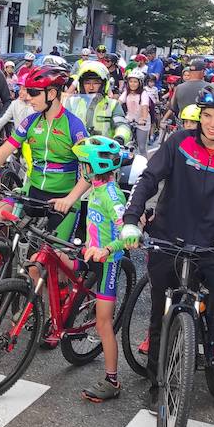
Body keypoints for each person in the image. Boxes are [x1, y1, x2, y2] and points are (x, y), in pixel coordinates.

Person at [122, 82, 214, 405]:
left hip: (212, 245)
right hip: (167, 239)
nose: (213, 124)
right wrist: (132, 218)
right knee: (159, 311)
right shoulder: (179, 142)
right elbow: (149, 180)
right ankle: (157, 381)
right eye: (207, 115)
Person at [0, 64, 89, 241]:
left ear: (52, 94)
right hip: (33, 191)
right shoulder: (31, 121)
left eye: (33, 92)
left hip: (64, 198)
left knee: (47, 261)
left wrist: (71, 198)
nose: (27, 97)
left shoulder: (73, 125)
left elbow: (91, 168)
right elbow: (5, 149)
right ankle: (4, 254)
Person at [73, 135, 130, 403]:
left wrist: (106, 250)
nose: (81, 168)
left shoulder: (110, 194)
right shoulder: (95, 188)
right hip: (91, 255)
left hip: (108, 262)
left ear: (94, 167)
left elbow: (129, 236)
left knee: (103, 323)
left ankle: (112, 380)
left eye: (84, 163)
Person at [118, 71, 157, 155]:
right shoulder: (126, 92)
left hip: (142, 122)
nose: (132, 84)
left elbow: (145, 107)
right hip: (129, 119)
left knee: (142, 147)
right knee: (123, 145)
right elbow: (118, 103)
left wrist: (143, 119)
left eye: (135, 82)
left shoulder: (143, 94)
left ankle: (145, 167)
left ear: (140, 83)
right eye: (130, 81)